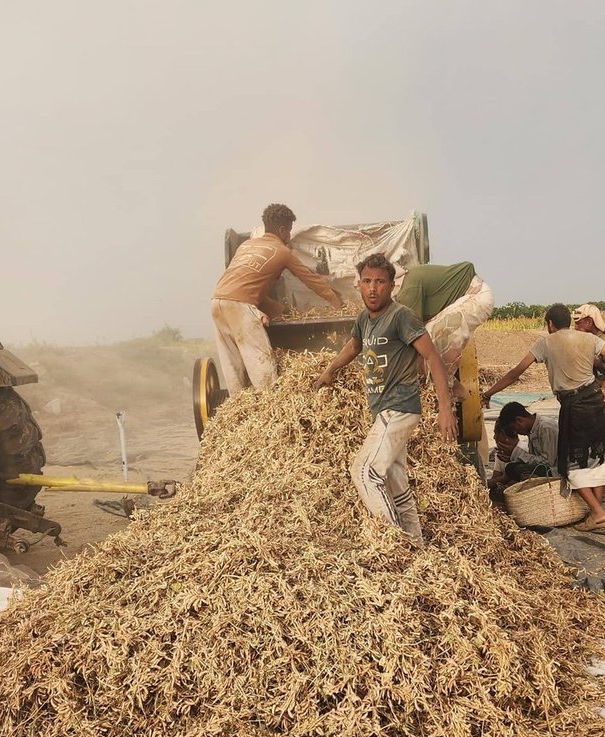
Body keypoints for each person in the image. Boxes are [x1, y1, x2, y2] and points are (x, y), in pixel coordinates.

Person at [314, 253, 458, 544]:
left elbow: (431, 356)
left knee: (364, 472)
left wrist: (445, 408)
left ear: (392, 285)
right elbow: (353, 347)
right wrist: (329, 370)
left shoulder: (400, 316)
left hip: (399, 406)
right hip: (382, 411)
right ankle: (416, 543)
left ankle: (393, 544)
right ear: (359, 285)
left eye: (380, 281)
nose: (372, 288)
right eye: (366, 281)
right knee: (396, 482)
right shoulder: (364, 321)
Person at [481, 304, 605, 531]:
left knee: (571, 463)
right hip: (598, 403)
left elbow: (515, 373)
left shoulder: (545, 343)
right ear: (568, 322)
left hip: (575, 406)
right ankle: (594, 510)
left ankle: (598, 514)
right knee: (597, 456)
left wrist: (489, 393)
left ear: (550, 324)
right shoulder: (587, 339)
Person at [210, 203, 343, 395]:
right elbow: (310, 279)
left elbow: (250, 288)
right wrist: (336, 302)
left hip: (217, 302)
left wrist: (280, 311)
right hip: (240, 307)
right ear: (282, 230)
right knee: (263, 369)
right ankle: (268, 406)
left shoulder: (245, 246)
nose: (289, 237)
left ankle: (238, 410)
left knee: (233, 368)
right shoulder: (281, 251)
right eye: (289, 232)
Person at [395, 262, 495, 383]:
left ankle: (446, 391)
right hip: (459, 300)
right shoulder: (400, 285)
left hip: (476, 295)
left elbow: (412, 336)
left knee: (439, 338)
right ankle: (451, 388)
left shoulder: (407, 290)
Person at [572, 303, 605, 500]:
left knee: (601, 444)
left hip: (601, 400)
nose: (575, 327)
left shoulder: (603, 342)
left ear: (589, 321)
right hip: (589, 399)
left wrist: (598, 366)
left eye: (578, 323)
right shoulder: (588, 339)